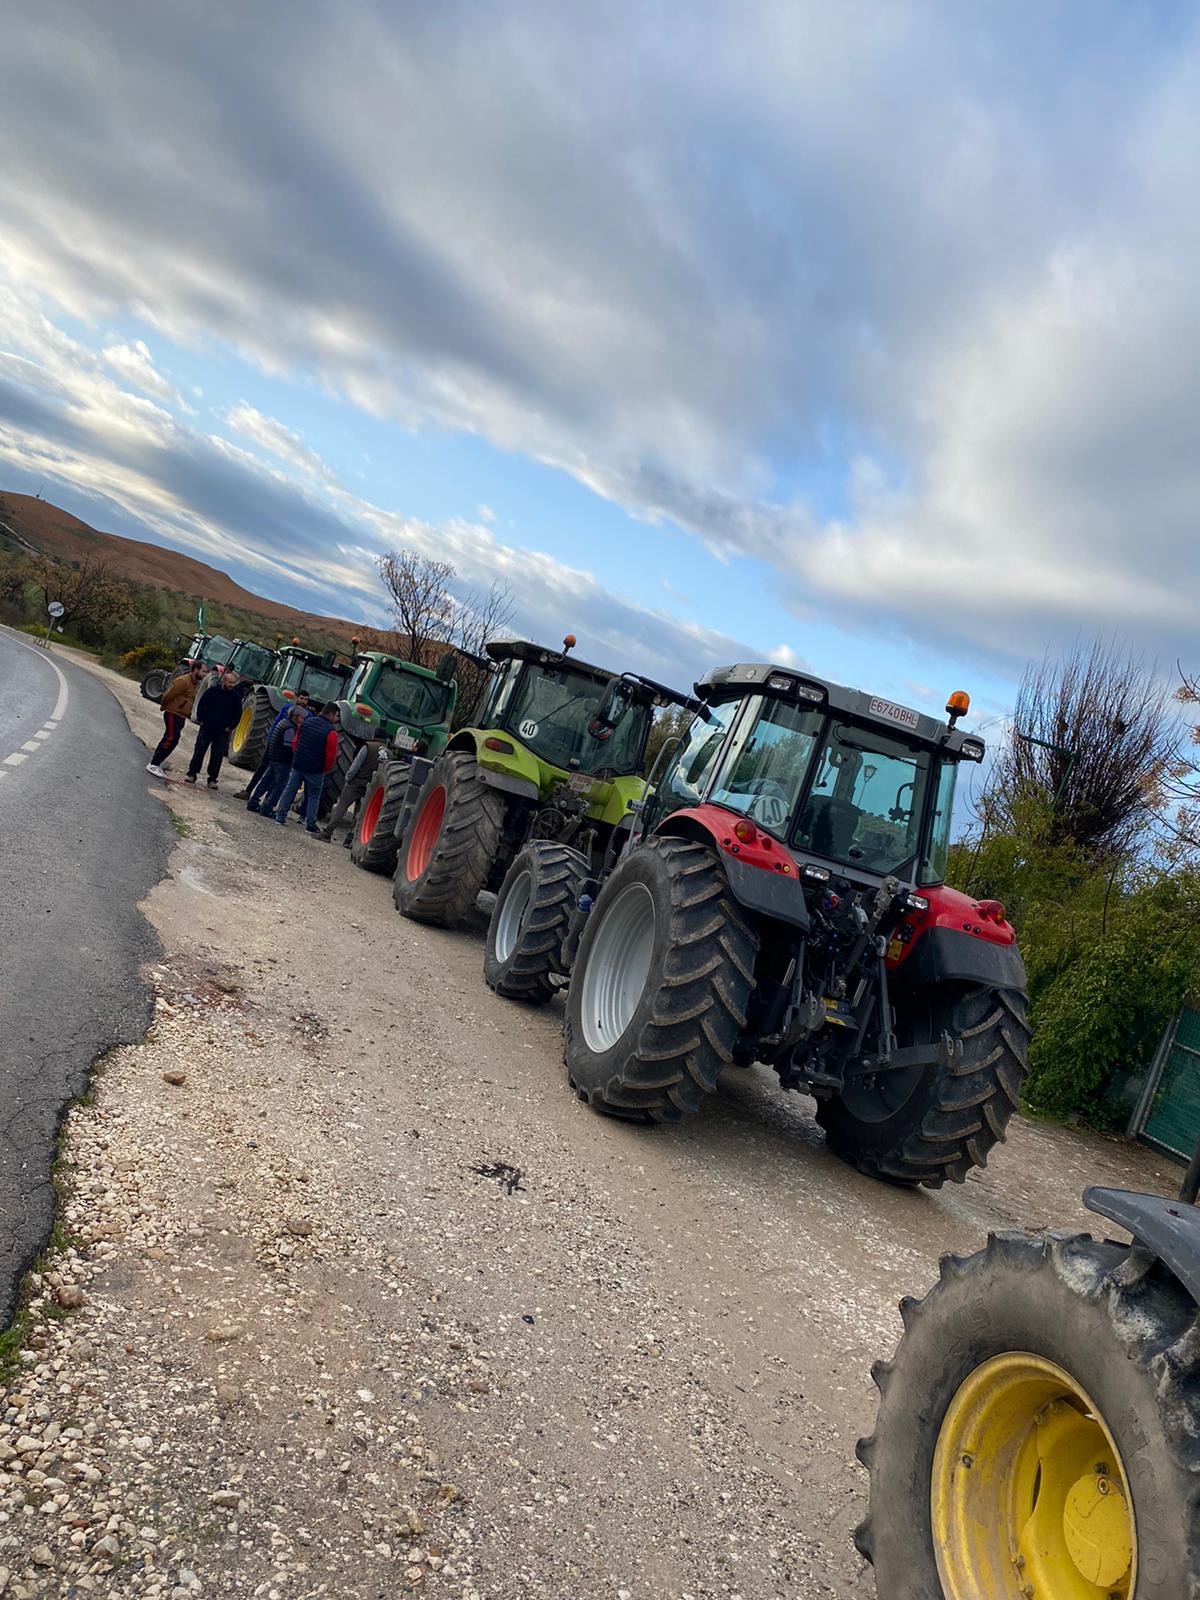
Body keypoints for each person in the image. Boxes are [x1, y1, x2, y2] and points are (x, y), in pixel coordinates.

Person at [274, 702, 339, 832]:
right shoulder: (331, 731)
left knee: (290, 789)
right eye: (336, 715)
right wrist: (325, 769)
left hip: (299, 764)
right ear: (331, 714)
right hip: (315, 769)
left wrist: (297, 756)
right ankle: (310, 824)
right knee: (314, 796)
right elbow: (330, 755)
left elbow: (295, 742)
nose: (337, 718)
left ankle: (280, 816)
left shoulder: (307, 722)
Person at [235, 691, 311, 801]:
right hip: (276, 744)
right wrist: (270, 739)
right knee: (263, 767)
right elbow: (276, 723)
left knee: (276, 776)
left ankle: (267, 800)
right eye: (301, 698)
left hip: (288, 749)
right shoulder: (287, 708)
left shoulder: (307, 716)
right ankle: (248, 791)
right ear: (296, 698)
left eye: (305, 699)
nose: (303, 701)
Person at [318, 736, 383, 846]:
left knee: (341, 808)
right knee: (359, 813)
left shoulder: (368, 747)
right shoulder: (390, 755)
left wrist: (348, 779)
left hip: (356, 783)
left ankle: (327, 833)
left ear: (374, 736)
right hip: (370, 786)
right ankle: (350, 839)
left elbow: (356, 764)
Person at [185, 669, 243, 789]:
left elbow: (237, 714)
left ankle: (212, 779)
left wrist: (230, 727)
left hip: (222, 732)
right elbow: (201, 705)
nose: (232, 685)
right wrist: (201, 719)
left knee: (217, 756)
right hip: (207, 727)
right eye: (230, 683)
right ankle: (192, 774)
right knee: (199, 751)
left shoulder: (236, 697)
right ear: (223, 681)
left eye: (233, 683)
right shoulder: (212, 692)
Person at [146, 661, 205, 778]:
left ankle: (156, 763)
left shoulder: (195, 684)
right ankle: (153, 763)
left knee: (172, 739)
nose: (205, 674)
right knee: (171, 738)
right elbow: (168, 695)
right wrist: (164, 706)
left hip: (181, 715)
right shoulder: (183, 681)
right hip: (173, 712)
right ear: (195, 670)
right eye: (203, 671)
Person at [249, 704, 306, 815]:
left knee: (266, 781)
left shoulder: (283, 723)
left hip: (274, 758)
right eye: (301, 718)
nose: (302, 720)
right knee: (280, 785)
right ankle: (268, 808)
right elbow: (289, 747)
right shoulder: (290, 728)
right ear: (295, 716)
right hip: (282, 761)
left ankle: (253, 801)